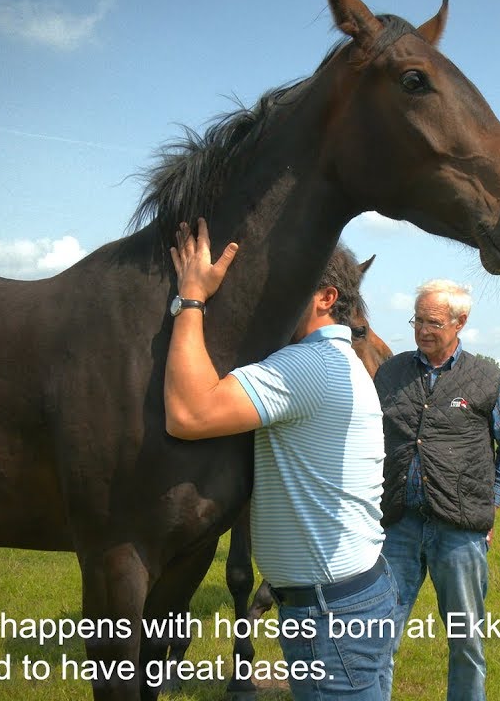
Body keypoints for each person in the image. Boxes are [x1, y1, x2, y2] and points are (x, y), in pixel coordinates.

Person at [163, 217, 397, 700]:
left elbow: (187, 413)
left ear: (326, 297)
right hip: (358, 594)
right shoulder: (342, 362)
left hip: (330, 618)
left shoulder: (307, 366)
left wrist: (191, 299)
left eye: (286, 282)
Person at [374, 279, 500, 701]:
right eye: (418, 320)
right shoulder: (390, 373)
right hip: (398, 526)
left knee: (466, 641)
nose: (423, 330)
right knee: (380, 635)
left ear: (460, 322)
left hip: (460, 532)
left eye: (434, 322)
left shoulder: (486, 378)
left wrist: (490, 504)